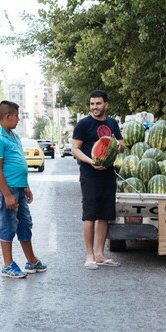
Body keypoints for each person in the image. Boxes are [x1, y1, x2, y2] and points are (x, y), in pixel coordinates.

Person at [0, 100, 47, 278]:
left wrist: (26, 187)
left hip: (19, 188)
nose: (18, 119)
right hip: (7, 189)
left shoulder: (14, 136)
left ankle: (31, 260)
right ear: (7, 116)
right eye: (16, 116)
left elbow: (19, 162)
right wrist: (6, 194)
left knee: (25, 224)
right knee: (8, 224)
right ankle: (7, 265)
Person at [71, 90, 125, 270]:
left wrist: (119, 145)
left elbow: (122, 144)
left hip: (108, 174)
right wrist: (90, 161)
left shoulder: (112, 123)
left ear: (106, 104)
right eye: (92, 104)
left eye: (98, 103)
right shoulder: (84, 124)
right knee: (90, 215)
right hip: (89, 174)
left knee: (105, 215)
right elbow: (75, 149)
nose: (95, 107)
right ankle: (89, 255)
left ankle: (100, 253)